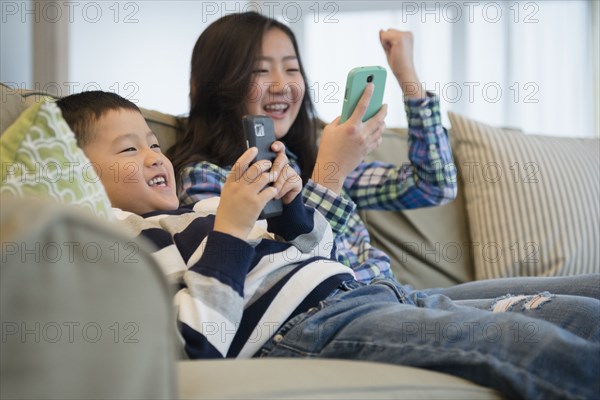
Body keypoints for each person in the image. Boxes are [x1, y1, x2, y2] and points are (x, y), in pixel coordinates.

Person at [57, 91, 599, 400]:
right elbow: (199, 342)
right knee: (529, 344)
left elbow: (319, 250)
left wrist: (293, 207)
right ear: (76, 173)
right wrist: (232, 226)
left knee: (579, 310)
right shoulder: (124, 241)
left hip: (366, 294)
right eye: (130, 149)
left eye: (153, 143)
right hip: (309, 324)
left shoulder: (198, 209)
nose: (155, 155)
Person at [167, 12, 455, 283]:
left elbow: (433, 185)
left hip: (398, 296)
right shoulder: (205, 178)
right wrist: (332, 174)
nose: (283, 85)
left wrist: (407, 77)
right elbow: (285, 281)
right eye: (260, 70)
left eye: (292, 68)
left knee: (501, 301)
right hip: (353, 313)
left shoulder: (307, 160)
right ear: (218, 85)